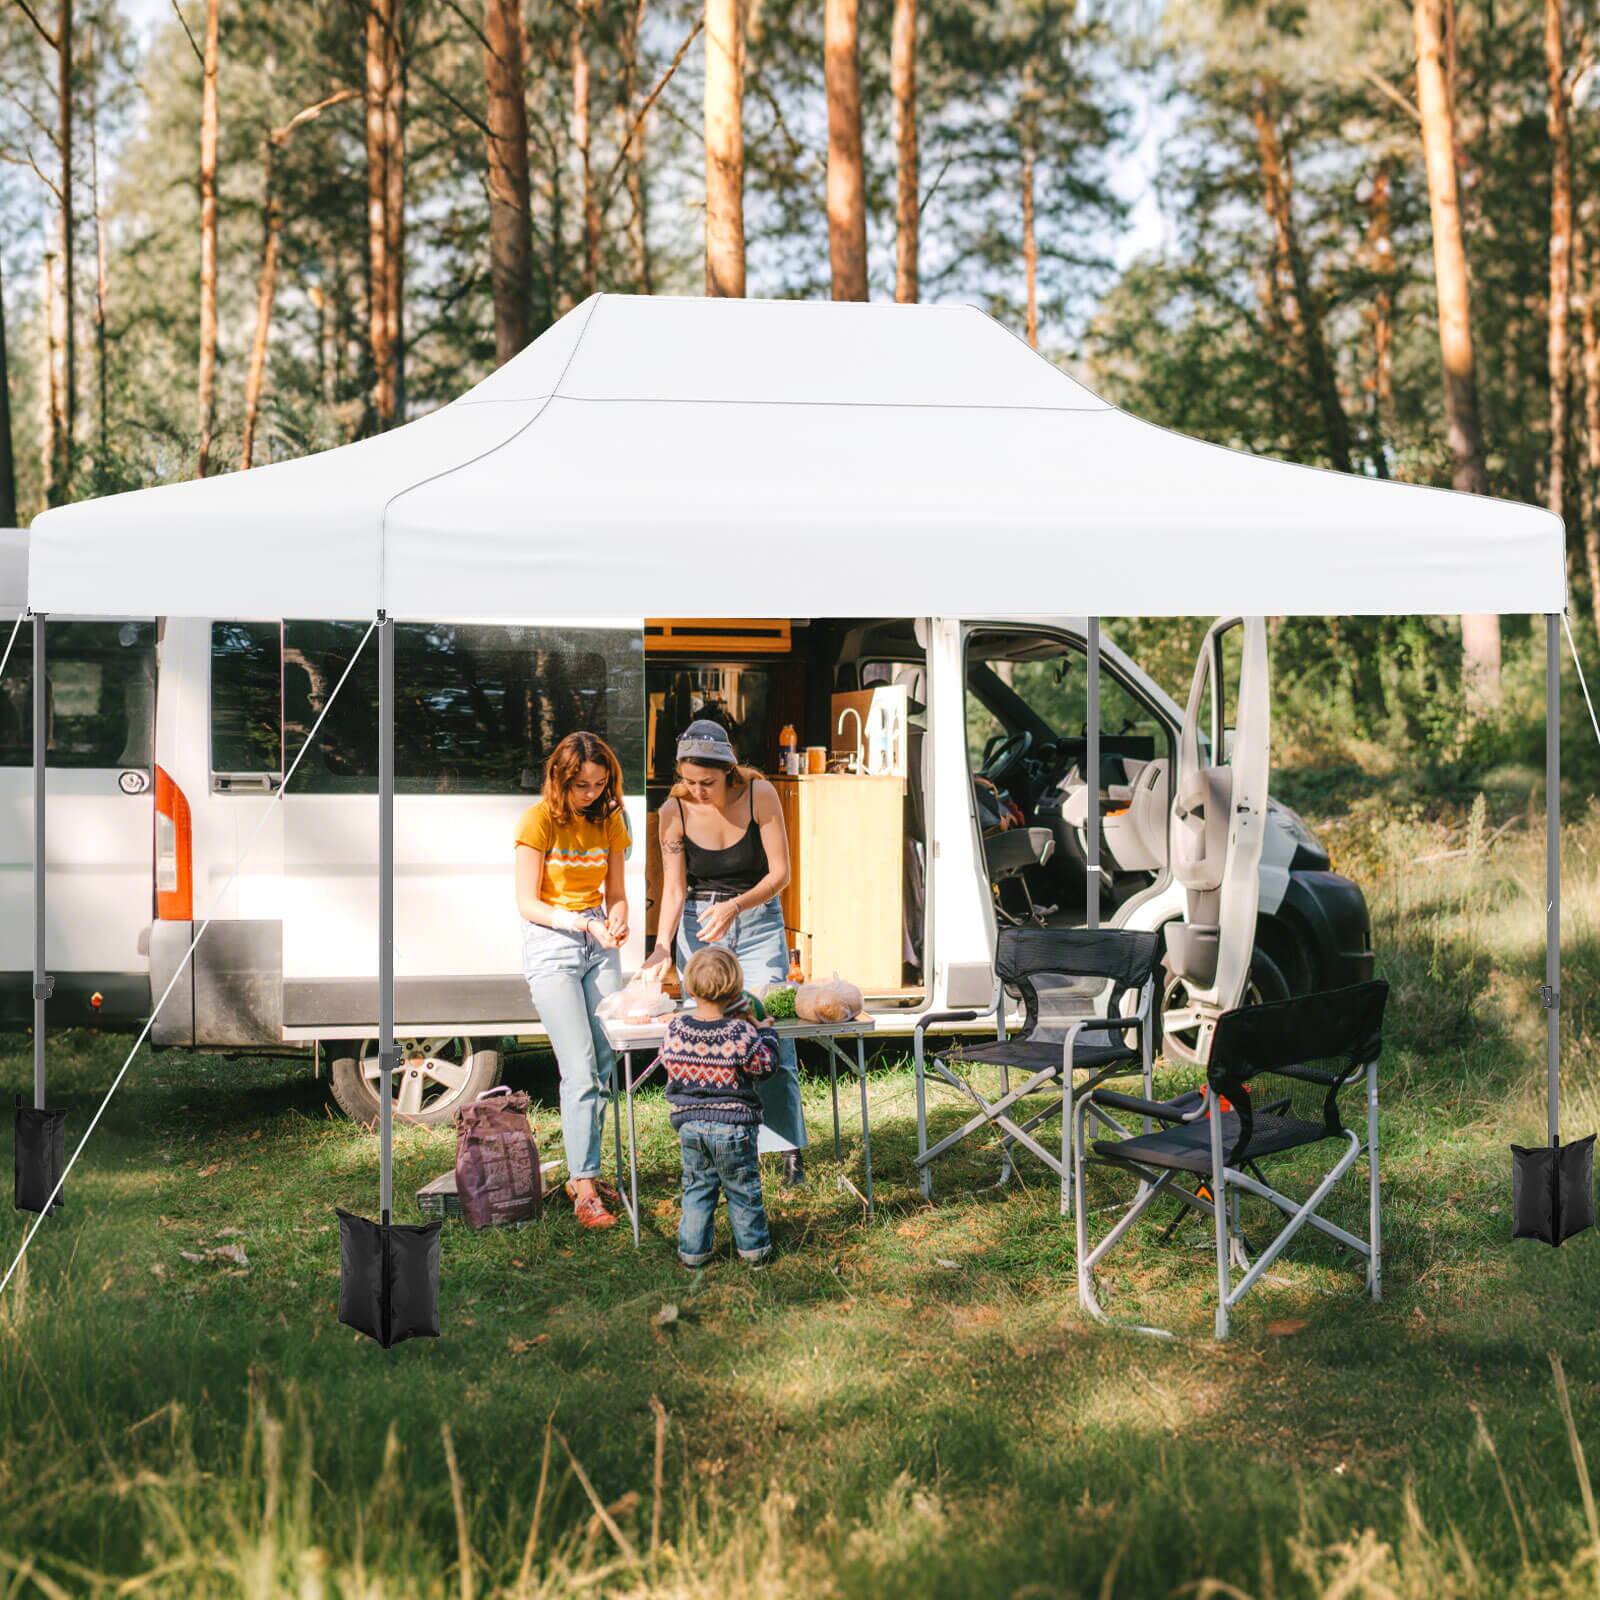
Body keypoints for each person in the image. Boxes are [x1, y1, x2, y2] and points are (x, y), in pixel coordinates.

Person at [645, 718, 811, 1185]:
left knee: (770, 1032)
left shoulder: (760, 795)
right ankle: (721, 1145)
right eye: (689, 781)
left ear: (729, 770)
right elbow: (674, 889)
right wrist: (660, 948)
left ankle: (787, 1148)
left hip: (756, 921)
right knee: (710, 1038)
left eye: (708, 783)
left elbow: (780, 874)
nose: (697, 791)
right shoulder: (673, 812)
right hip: (701, 926)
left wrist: (736, 907)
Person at [514, 731, 629, 1229]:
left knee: (603, 1061)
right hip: (554, 942)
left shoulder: (610, 819)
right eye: (582, 785)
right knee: (579, 1066)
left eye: (600, 785)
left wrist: (619, 918)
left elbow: (618, 892)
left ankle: (586, 1171)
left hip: (598, 939)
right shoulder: (536, 821)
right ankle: (584, 1186)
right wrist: (581, 922)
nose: (591, 794)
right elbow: (527, 903)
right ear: (560, 780)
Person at [661, 946, 777, 1267]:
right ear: (735, 990)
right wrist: (765, 1033)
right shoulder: (739, 1032)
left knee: (698, 1188)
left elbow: (670, 1063)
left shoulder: (675, 1029)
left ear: (690, 988)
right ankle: (754, 1251)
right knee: (742, 1189)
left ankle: (693, 1253)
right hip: (733, 1126)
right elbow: (764, 1066)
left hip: (690, 1125)